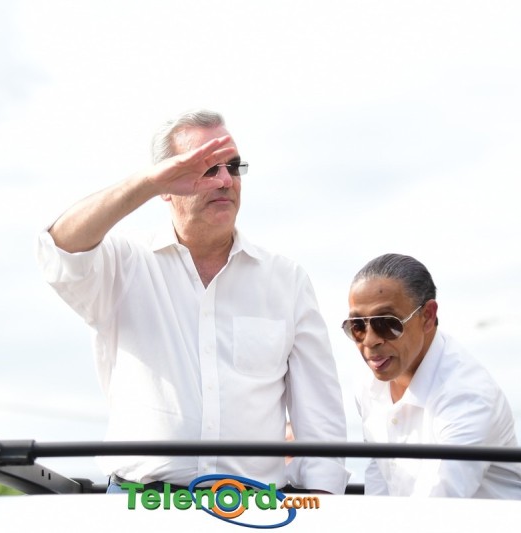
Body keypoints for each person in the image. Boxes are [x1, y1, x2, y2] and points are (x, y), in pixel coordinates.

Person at [36, 109, 348, 493]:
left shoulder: (287, 279)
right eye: (205, 168)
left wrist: (320, 505)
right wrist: (147, 182)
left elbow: (320, 418)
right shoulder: (124, 264)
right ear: (165, 185)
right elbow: (58, 250)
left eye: (233, 167)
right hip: (139, 507)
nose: (225, 180)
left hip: (254, 510)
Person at [343, 253, 521, 499]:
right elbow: (379, 478)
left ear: (428, 316)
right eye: (357, 326)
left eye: (387, 323)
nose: (370, 341)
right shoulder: (368, 384)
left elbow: (437, 503)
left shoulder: (467, 394)